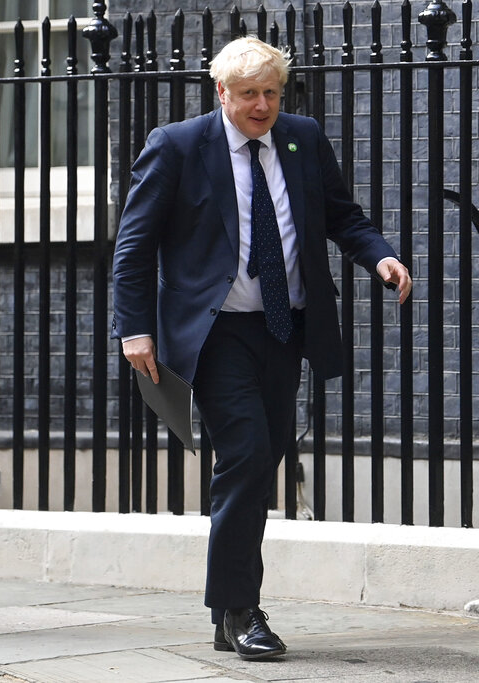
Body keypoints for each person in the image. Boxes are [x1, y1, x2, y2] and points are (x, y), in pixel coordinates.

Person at [112, 37, 412, 660]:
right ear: (221, 92)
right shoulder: (178, 146)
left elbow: (341, 215)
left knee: (263, 460)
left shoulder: (301, 138)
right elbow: (134, 245)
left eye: (272, 92)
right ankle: (243, 610)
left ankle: (226, 610)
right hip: (216, 331)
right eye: (249, 93)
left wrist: (378, 254)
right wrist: (134, 328)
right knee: (246, 454)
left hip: (284, 326)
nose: (262, 105)